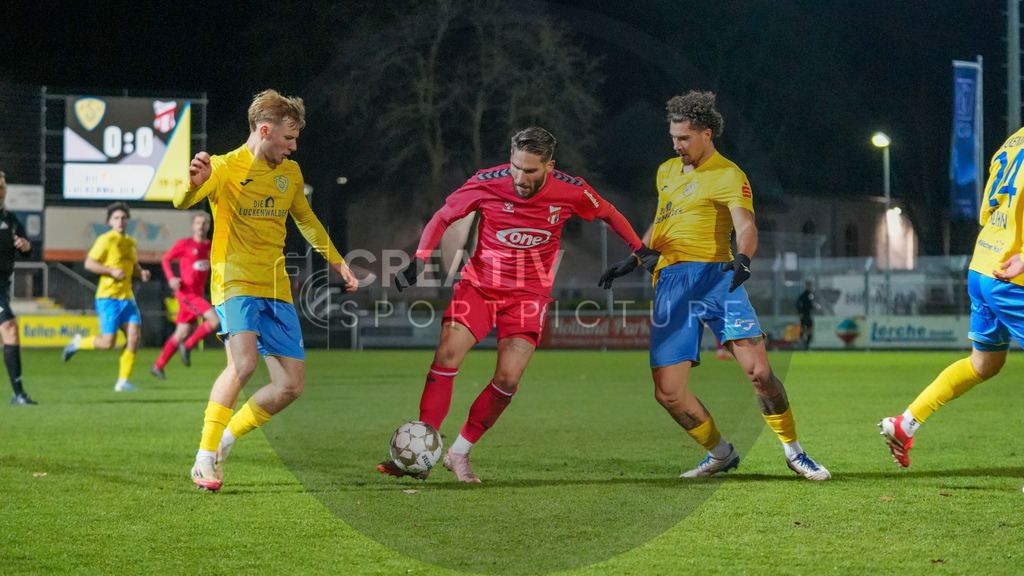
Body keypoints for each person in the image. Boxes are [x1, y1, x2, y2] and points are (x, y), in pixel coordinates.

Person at [378, 126, 656, 482]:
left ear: (550, 166)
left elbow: (609, 213)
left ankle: (458, 452)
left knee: (508, 378)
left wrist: (639, 249)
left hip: (528, 295)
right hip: (479, 287)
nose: (520, 178)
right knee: (447, 354)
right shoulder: (486, 182)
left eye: (530, 171)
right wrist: (419, 258)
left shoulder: (571, 191)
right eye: (515, 167)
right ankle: (423, 452)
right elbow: (443, 216)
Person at [600, 91, 830, 480]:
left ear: (707, 134)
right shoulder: (667, 171)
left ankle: (794, 451)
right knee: (668, 393)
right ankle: (721, 454)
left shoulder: (729, 175)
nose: (677, 146)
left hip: (715, 278)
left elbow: (746, 226)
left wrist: (743, 258)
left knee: (759, 373)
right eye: (673, 138)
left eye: (684, 138)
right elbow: (664, 221)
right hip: (671, 282)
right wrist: (636, 255)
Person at [175, 89, 359, 492]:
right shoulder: (224, 168)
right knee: (242, 364)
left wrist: (338, 262)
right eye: (289, 139)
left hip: (275, 284)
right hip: (234, 279)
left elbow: (307, 221)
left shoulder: (289, 175)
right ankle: (204, 458)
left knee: (291, 385)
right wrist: (192, 185)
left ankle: (226, 437)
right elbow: (182, 199)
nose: (293, 148)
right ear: (265, 130)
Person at [879, 125, 1024, 483]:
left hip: (984, 264)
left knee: (984, 363)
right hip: (1013, 272)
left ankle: (905, 422)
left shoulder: (1014, 140)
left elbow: (989, 210)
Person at [62, 202, 152, 391]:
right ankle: (78, 342)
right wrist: (110, 271)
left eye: (123, 218)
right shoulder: (105, 240)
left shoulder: (131, 243)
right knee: (107, 343)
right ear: (110, 221)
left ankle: (122, 381)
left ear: (128, 221)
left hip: (127, 298)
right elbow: (89, 263)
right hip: (108, 298)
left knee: (134, 336)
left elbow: (133, 267)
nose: (120, 221)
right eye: (116, 218)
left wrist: (141, 273)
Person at [150, 212, 219, 380]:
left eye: (204, 223)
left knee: (181, 332)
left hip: (197, 294)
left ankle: (158, 366)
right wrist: (171, 278)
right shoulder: (185, 244)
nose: (201, 226)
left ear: (208, 226)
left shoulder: (210, 246)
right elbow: (166, 259)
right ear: (192, 226)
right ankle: (188, 346)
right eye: (198, 223)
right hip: (187, 294)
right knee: (215, 320)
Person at [0, 171, 37, 405]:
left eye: (2, 186)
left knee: (9, 331)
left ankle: (18, 393)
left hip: (3, 285)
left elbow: (27, 249)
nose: (0, 190)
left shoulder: (11, 220)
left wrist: (25, 246)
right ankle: (19, 393)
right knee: (10, 329)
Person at [795, 280, 821, 350]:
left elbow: (809, 304)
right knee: (808, 328)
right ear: (807, 286)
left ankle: (805, 344)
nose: (811, 287)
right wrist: (800, 312)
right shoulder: (805, 294)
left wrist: (815, 306)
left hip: (807, 314)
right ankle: (805, 344)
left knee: (806, 328)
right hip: (805, 314)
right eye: (810, 285)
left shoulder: (809, 294)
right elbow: (798, 303)